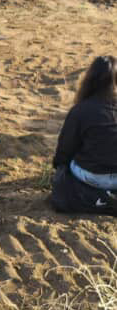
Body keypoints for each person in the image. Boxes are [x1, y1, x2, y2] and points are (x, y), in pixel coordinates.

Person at [51, 55, 117, 214]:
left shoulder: (80, 110)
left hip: (93, 177)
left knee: (73, 162)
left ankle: (99, 196)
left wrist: (59, 169)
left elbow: (65, 150)